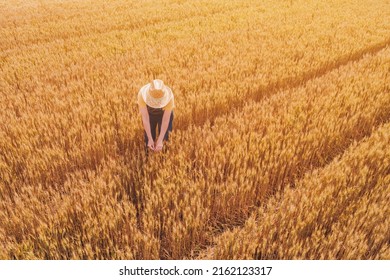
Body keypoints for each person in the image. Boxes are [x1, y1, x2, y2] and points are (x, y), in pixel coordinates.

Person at [137, 79, 174, 152]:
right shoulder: (141, 95)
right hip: (149, 114)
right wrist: (150, 139)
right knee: (148, 138)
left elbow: (166, 120)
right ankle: (148, 156)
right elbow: (145, 118)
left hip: (163, 114)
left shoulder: (170, 98)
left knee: (165, 138)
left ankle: (164, 157)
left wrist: (160, 140)